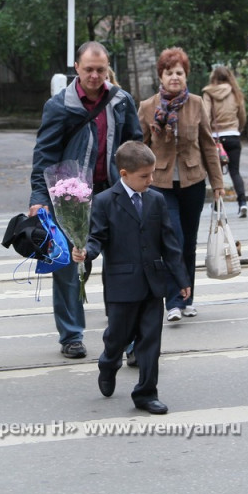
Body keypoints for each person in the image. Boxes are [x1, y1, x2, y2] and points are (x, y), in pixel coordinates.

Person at [29, 41, 143, 359]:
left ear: (108, 70)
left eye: (101, 69)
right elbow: (44, 156)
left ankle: (129, 339)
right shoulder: (59, 105)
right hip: (71, 198)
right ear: (76, 68)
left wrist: (139, 185)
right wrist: (39, 196)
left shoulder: (121, 101)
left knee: (123, 268)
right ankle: (71, 335)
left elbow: (136, 144)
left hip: (114, 194)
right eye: (89, 69)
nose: (95, 75)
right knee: (68, 265)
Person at [72, 141, 190, 415]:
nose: (151, 180)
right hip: (121, 284)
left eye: (152, 174)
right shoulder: (103, 201)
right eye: (144, 176)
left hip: (153, 284)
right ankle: (108, 362)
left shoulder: (156, 199)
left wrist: (182, 280)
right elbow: (97, 238)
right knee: (118, 336)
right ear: (124, 174)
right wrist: (85, 252)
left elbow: (170, 243)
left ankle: (146, 393)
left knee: (150, 341)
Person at [138, 47, 224, 322]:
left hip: (193, 181)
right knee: (173, 239)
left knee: (188, 243)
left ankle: (188, 299)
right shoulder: (148, 107)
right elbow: (138, 148)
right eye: (169, 72)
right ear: (160, 76)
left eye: (179, 73)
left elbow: (208, 145)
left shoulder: (197, 103)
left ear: (186, 76)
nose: (174, 77)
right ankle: (172, 301)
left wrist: (218, 183)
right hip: (160, 183)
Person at [202, 65, 248, 217]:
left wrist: (206, 133)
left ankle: (217, 206)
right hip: (233, 136)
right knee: (235, 171)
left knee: (216, 173)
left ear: (213, 77)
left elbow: (206, 116)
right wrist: (237, 129)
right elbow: (242, 116)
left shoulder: (209, 93)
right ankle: (242, 203)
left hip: (216, 139)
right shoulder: (235, 93)